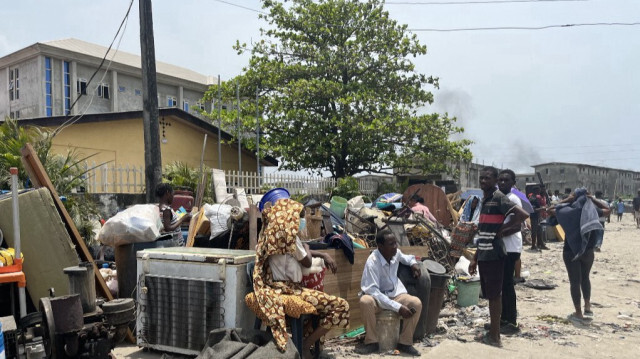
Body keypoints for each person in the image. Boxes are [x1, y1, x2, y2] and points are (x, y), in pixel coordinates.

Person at [252, 198, 349, 358]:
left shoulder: (270, 234)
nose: (301, 221)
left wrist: (317, 252)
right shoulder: (290, 238)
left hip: (272, 288)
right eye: (300, 217)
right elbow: (307, 259)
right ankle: (305, 345)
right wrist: (307, 248)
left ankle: (300, 344)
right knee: (340, 307)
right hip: (289, 291)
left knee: (318, 309)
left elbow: (298, 253)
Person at [469, 167, 528, 347]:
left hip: (495, 254)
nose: (483, 181)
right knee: (491, 294)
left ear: (494, 181)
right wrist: (475, 258)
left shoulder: (499, 197)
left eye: (488, 178)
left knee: (496, 295)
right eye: (482, 178)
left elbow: (522, 215)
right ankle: (495, 329)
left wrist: (502, 231)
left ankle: (495, 336)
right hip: (485, 253)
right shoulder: (485, 200)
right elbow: (484, 232)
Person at [547, 188, 610, 325]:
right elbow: (608, 210)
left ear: (574, 197)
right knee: (585, 278)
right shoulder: (591, 211)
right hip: (588, 250)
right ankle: (587, 306)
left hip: (571, 251)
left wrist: (567, 200)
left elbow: (549, 210)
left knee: (575, 281)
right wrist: (593, 199)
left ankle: (578, 313)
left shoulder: (567, 211)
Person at [357, 229, 422, 356]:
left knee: (416, 303)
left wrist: (414, 264)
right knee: (365, 301)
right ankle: (371, 342)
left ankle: (405, 343)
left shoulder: (395, 253)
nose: (395, 247)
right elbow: (373, 292)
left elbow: (407, 258)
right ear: (380, 247)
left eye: (395, 243)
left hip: (396, 294)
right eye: (391, 244)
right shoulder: (372, 262)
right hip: (378, 300)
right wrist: (398, 307)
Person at [496, 169, 528, 334]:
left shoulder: (513, 198)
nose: (502, 183)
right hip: (505, 246)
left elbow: (517, 224)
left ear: (513, 183)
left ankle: (512, 322)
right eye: (500, 180)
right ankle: (503, 319)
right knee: (503, 284)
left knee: (507, 285)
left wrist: (499, 231)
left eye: (506, 180)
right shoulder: (503, 198)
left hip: (511, 247)